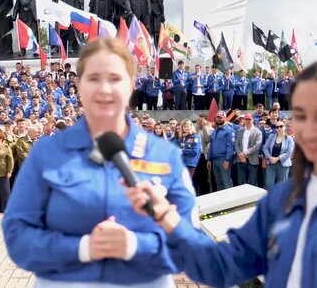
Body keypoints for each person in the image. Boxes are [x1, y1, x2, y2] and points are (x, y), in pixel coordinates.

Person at [2, 38, 195, 287]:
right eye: (93, 78)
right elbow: (17, 235)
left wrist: (134, 245)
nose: (104, 89)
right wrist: (83, 248)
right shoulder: (46, 154)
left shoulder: (164, 155)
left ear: (131, 84)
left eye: (115, 79)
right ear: (79, 85)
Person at [125, 61, 317, 288]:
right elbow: (223, 265)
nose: (309, 129)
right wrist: (169, 220)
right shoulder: (281, 201)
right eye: (301, 116)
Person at [207, 110, 234, 191]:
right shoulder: (214, 130)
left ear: (225, 118)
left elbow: (230, 146)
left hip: (223, 159)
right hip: (214, 160)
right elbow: (211, 146)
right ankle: (222, 202)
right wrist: (208, 159)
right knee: (218, 183)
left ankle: (230, 202)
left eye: (220, 117)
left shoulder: (229, 130)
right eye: (217, 117)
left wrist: (227, 160)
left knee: (226, 182)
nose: (218, 119)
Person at [263, 121, 294, 190]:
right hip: (271, 164)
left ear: (284, 127)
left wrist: (277, 158)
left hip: (283, 165)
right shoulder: (271, 136)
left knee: (281, 186)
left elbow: (289, 152)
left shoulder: (289, 139)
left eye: (281, 126)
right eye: (277, 127)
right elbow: (265, 148)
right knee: (269, 184)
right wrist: (269, 157)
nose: (279, 128)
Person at [234, 113, 263, 186]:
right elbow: (236, 144)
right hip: (240, 160)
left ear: (253, 120)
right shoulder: (239, 131)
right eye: (246, 119)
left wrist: (244, 154)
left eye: (249, 119)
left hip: (252, 161)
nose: (247, 121)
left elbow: (257, 146)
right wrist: (240, 154)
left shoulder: (258, 132)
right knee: (240, 183)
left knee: (252, 183)